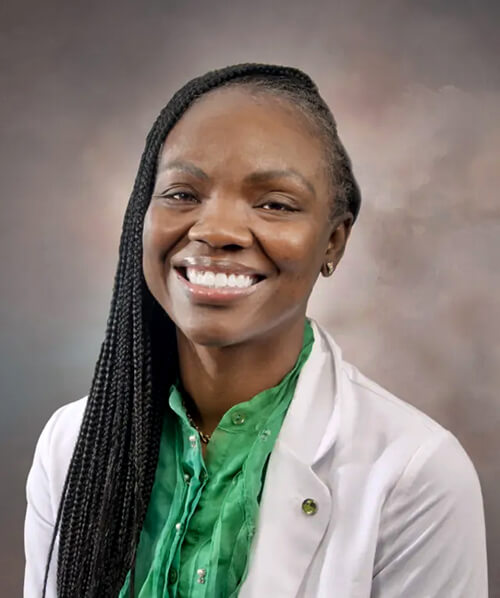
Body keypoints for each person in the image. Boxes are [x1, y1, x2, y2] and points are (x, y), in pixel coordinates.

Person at [24, 63, 488, 598]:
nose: (216, 230)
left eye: (274, 204)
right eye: (181, 193)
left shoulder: (417, 475)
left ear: (333, 242)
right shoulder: (72, 443)